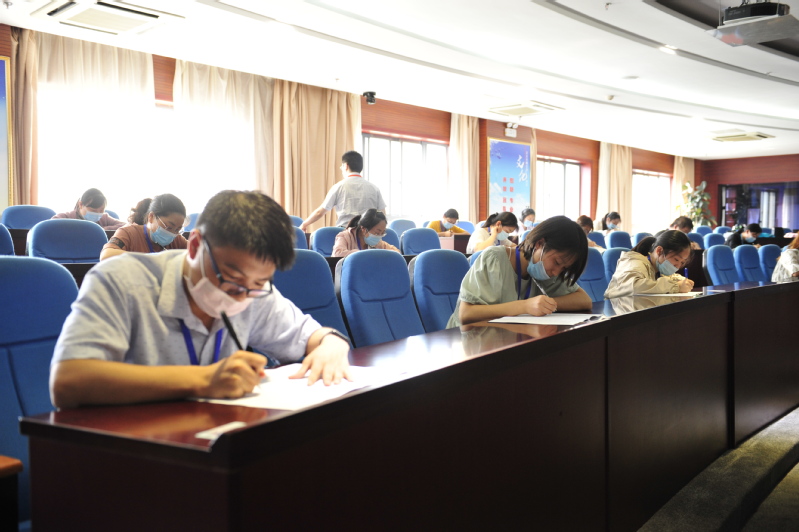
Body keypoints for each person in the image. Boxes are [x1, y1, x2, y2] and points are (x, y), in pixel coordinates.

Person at [50, 190, 352, 408]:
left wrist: (332, 345)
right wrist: (204, 380)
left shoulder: (254, 290)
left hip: (215, 438)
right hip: (131, 447)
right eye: (231, 279)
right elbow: (68, 381)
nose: (242, 296)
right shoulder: (121, 279)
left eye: (258, 283)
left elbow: (315, 336)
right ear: (194, 246)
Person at [448, 216, 591, 328]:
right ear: (539, 243)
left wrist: (547, 304)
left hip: (506, 339)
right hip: (468, 342)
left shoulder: (548, 273)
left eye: (564, 268)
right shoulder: (494, 259)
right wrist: (525, 306)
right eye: (557, 262)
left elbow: (584, 301)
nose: (556, 272)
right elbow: (466, 314)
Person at [299, 151, 386, 231]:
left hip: (345, 232)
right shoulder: (374, 188)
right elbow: (383, 214)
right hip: (367, 233)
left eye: (342, 166)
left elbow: (320, 212)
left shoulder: (338, 187)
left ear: (346, 166)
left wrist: (304, 224)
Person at [604, 230, 694, 298]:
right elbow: (634, 286)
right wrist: (676, 286)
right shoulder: (635, 262)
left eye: (682, 262)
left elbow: (671, 277)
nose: (678, 266)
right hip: (617, 313)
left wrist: (683, 281)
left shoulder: (657, 268)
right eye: (676, 259)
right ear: (659, 251)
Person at [100, 194, 189, 261]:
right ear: (151, 217)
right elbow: (106, 255)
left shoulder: (177, 239)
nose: (172, 233)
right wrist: (152, 259)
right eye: (169, 227)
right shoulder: (128, 233)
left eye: (178, 229)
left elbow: (197, 253)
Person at [331, 208, 400, 257]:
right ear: (363, 229)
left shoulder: (377, 242)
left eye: (382, 233)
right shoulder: (345, 236)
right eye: (377, 233)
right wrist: (365, 254)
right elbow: (337, 254)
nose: (379, 236)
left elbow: (396, 253)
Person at [52, 188, 125, 230]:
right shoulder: (66, 217)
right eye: (93, 210)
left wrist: (101, 229)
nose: (98, 213)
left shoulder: (104, 217)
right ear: (80, 205)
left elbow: (125, 225)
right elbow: (50, 226)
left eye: (101, 210)